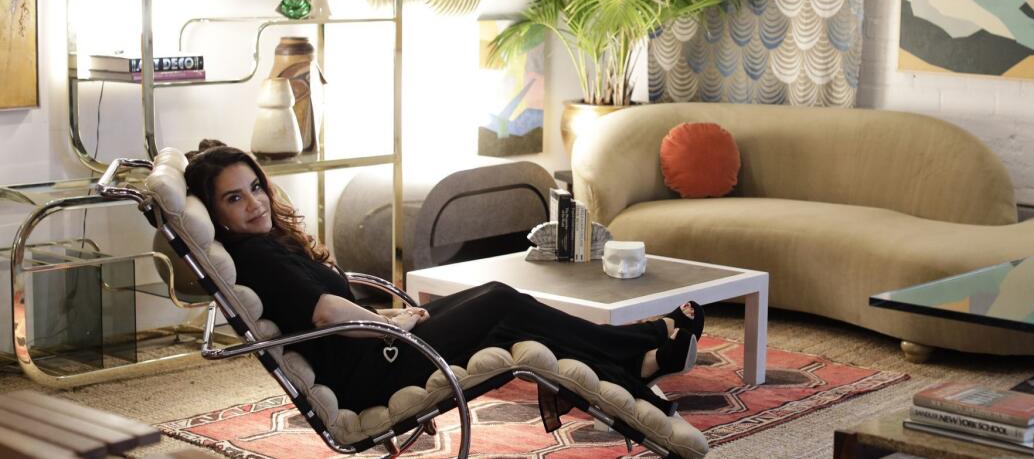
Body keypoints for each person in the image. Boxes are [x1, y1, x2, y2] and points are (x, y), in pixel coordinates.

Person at [183, 140, 705, 415]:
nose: (254, 203)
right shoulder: (258, 258)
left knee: (501, 310)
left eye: (255, 187)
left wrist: (392, 315)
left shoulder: (267, 244)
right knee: (500, 303)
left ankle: (640, 359)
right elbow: (325, 314)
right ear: (214, 211)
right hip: (373, 371)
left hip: (376, 346)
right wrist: (396, 327)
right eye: (235, 197)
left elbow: (324, 305)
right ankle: (644, 343)